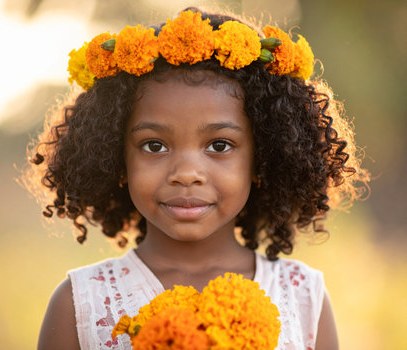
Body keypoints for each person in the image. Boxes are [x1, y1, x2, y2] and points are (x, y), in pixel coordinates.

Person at [26, 7, 368, 350]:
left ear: (263, 158)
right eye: (154, 145)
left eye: (219, 145)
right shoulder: (78, 304)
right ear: (116, 158)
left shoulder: (304, 297)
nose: (186, 173)